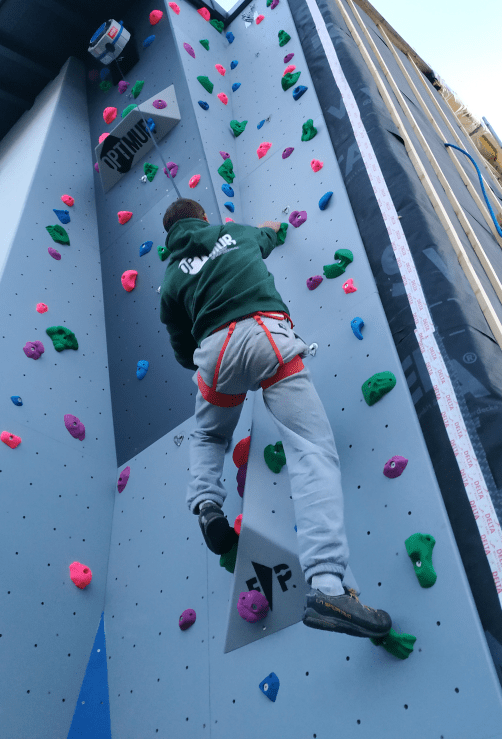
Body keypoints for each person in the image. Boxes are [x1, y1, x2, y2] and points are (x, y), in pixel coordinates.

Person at [157, 197, 391, 639]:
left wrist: (217, 362)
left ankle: (207, 504)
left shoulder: (170, 280)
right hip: (265, 334)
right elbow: (269, 233)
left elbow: (182, 352)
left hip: (215, 352)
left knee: (207, 434)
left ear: (169, 236)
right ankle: (326, 585)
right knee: (311, 450)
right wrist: (273, 227)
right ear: (202, 218)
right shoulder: (236, 232)